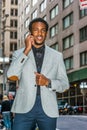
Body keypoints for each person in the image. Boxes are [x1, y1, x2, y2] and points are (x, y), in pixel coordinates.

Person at [7, 17, 69, 130]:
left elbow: (65, 84)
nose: (39, 33)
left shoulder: (57, 56)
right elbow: (11, 75)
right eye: (36, 30)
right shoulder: (19, 53)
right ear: (30, 33)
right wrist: (26, 51)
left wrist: (48, 82)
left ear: (46, 33)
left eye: (43, 30)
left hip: (47, 110)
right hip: (23, 108)